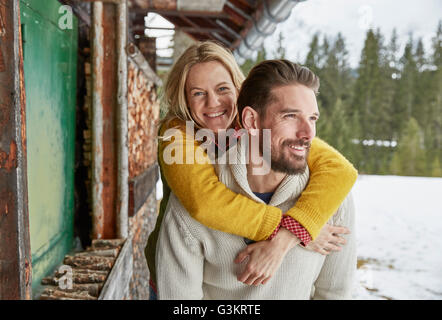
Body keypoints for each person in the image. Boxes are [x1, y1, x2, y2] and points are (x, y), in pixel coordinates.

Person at [144, 41, 357, 299]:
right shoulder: (176, 136)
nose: (213, 102)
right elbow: (204, 202)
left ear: (239, 88)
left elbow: (338, 169)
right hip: (176, 265)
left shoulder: (261, 128)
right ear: (185, 100)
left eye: (222, 88)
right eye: (198, 93)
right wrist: (297, 230)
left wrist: (292, 233)